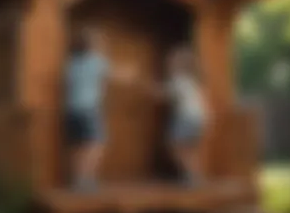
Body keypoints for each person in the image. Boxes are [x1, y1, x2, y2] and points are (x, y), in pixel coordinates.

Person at [65, 26, 136, 192]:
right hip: (89, 109)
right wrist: (133, 73)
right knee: (96, 145)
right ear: (93, 44)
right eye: (100, 42)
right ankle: (86, 181)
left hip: (72, 110)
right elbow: (118, 75)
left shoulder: (72, 62)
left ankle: (77, 180)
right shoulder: (97, 61)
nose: (103, 44)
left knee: (78, 146)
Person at [145, 45, 209, 187]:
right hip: (199, 118)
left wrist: (145, 86)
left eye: (171, 63)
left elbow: (161, 94)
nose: (168, 66)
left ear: (179, 66)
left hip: (185, 118)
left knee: (175, 146)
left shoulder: (179, 80)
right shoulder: (193, 81)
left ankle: (192, 177)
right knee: (188, 149)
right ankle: (195, 177)